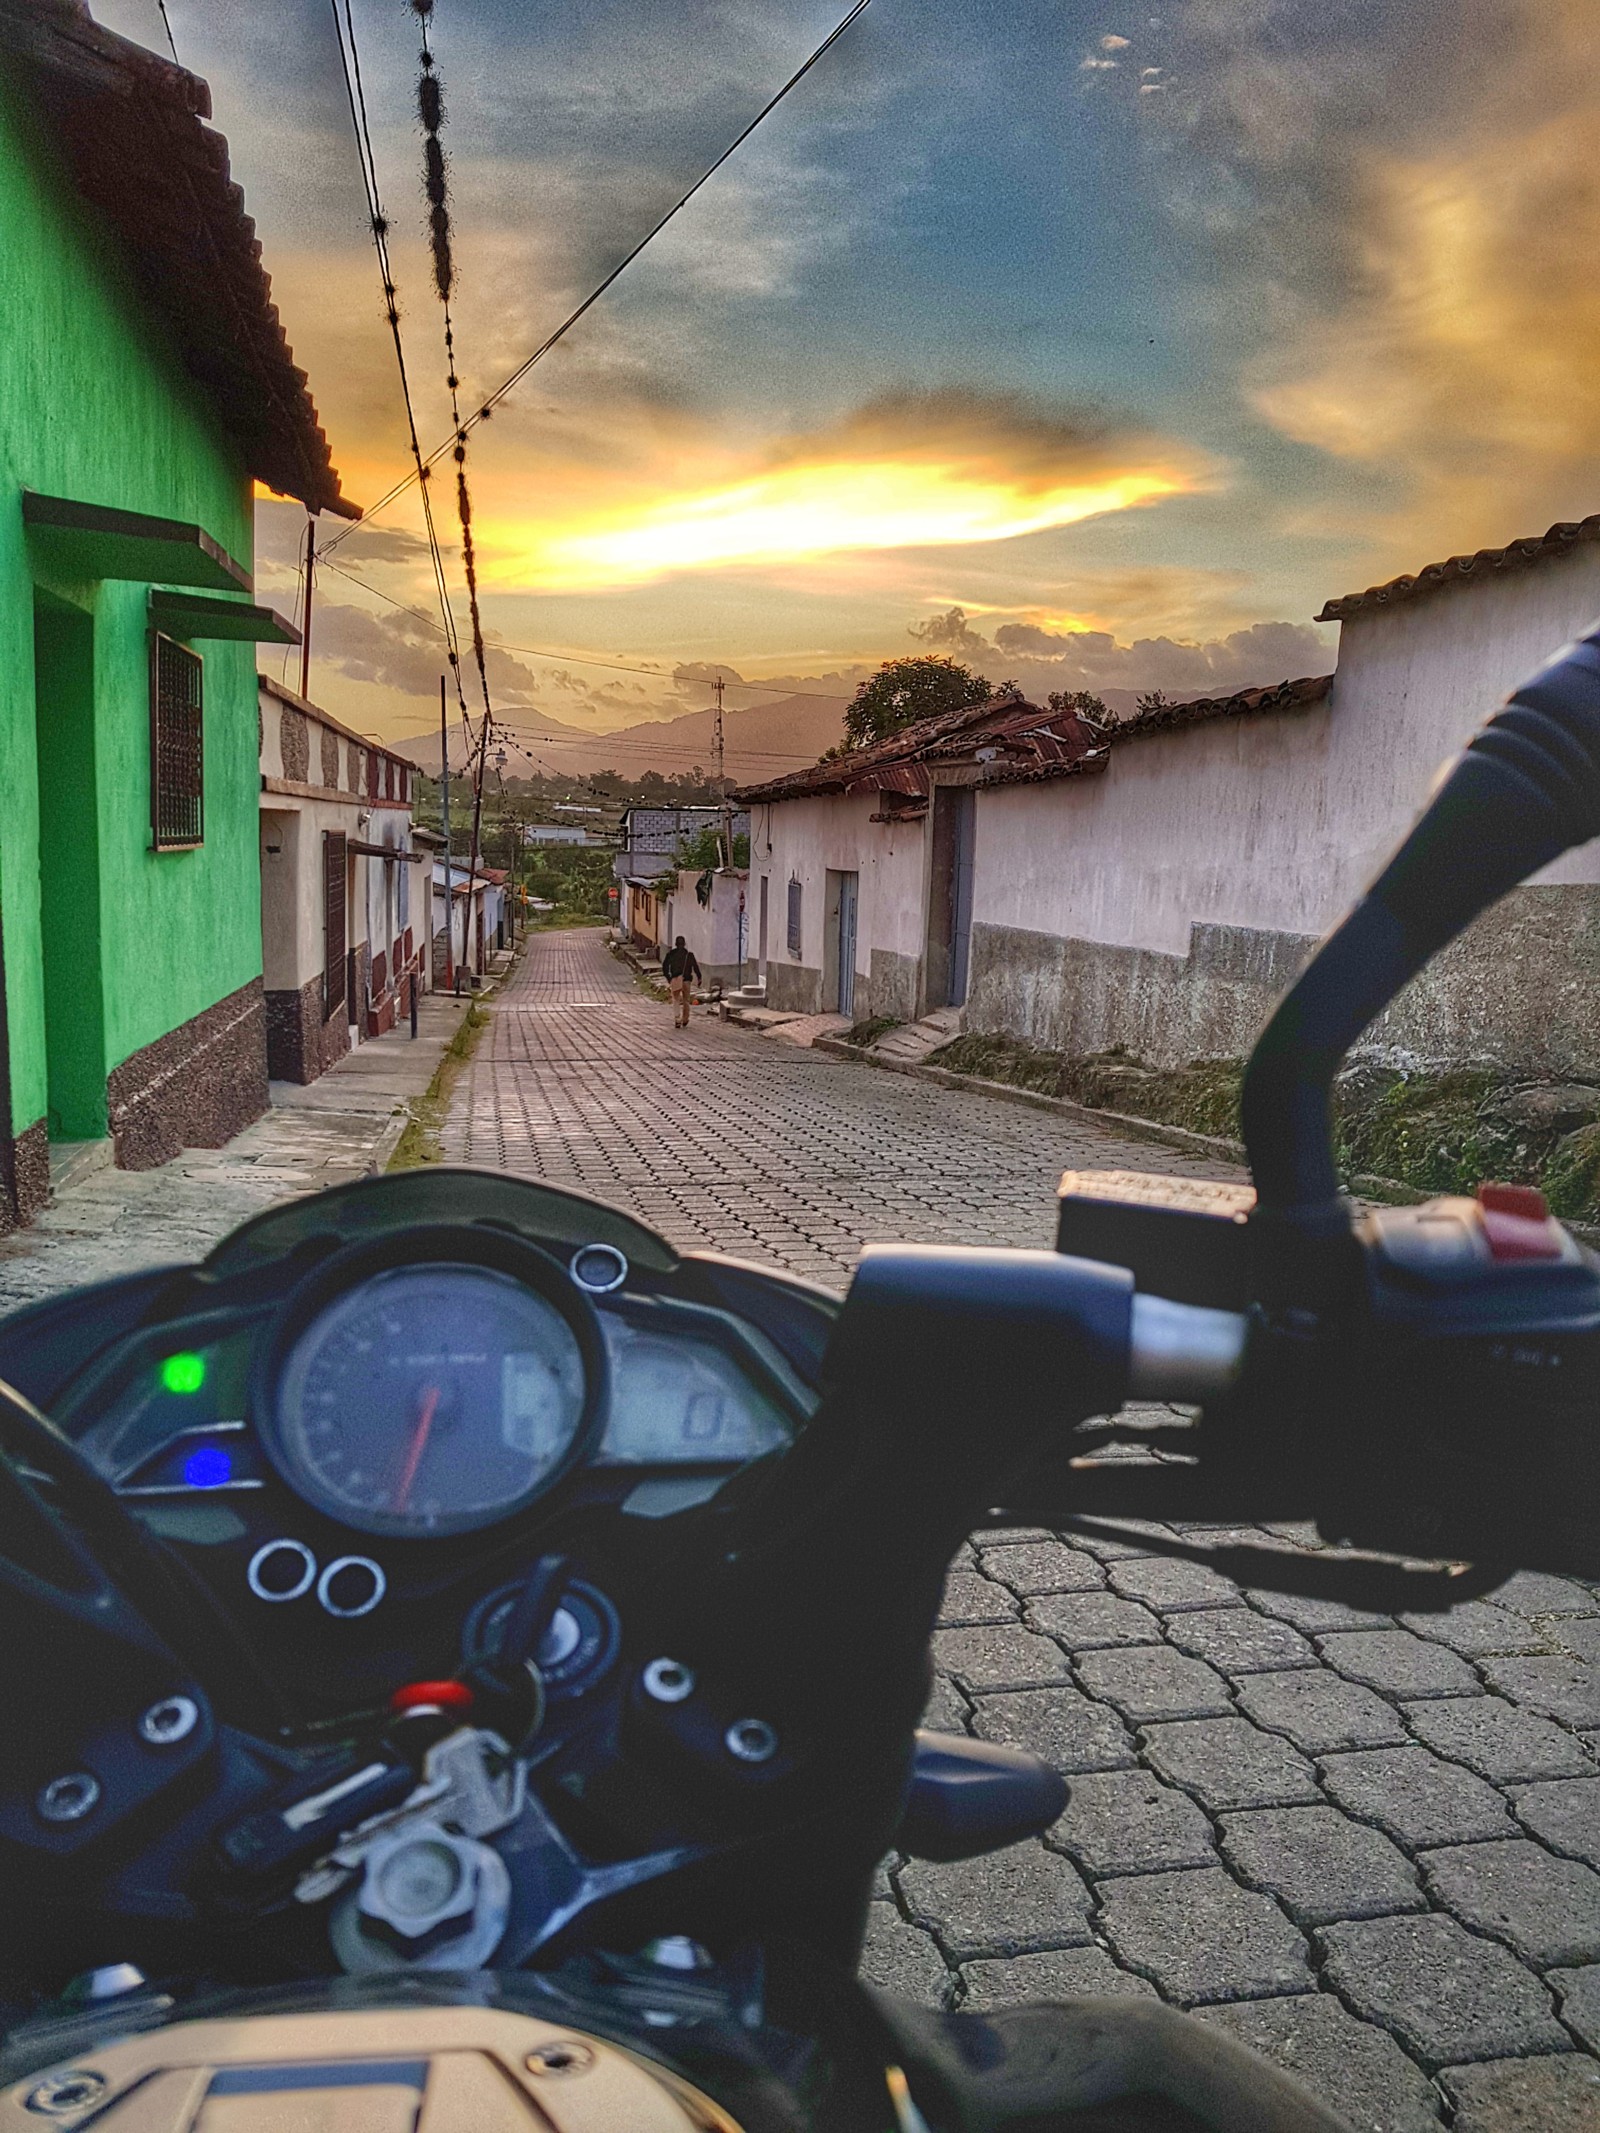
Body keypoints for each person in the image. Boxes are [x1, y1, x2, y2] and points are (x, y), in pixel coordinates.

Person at [660, 935, 702, 1027]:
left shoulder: (671, 954)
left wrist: (669, 977)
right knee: (686, 1000)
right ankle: (685, 1019)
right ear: (684, 944)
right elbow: (695, 967)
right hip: (686, 980)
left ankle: (677, 1018)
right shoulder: (689, 955)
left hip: (675, 979)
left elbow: (665, 966)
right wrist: (699, 978)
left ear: (675, 944)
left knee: (676, 999)